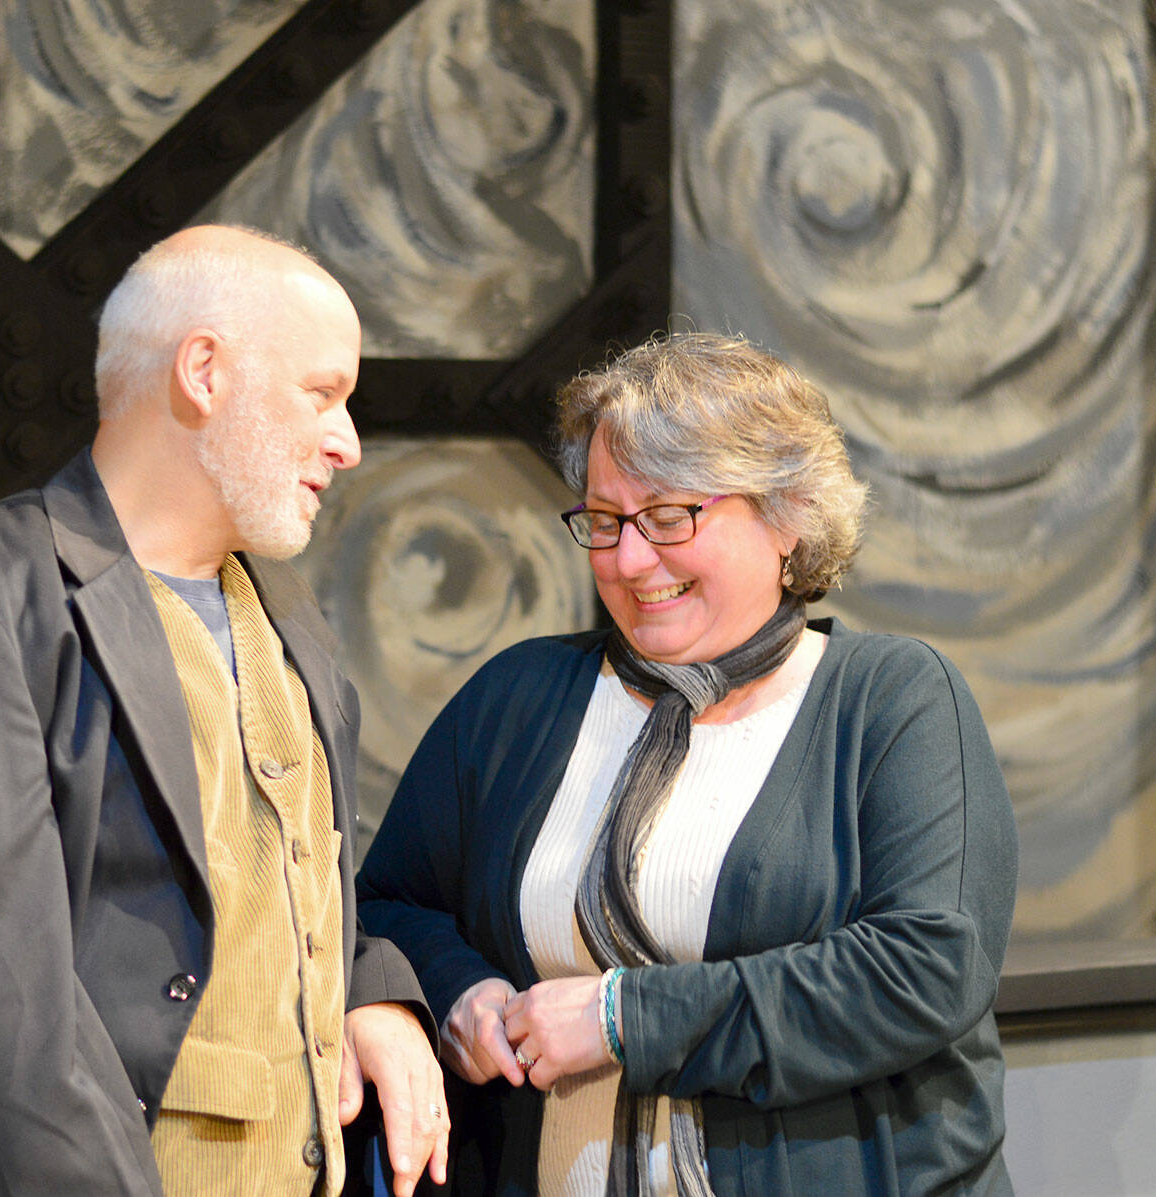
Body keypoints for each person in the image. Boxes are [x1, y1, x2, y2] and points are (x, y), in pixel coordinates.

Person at [0, 225, 449, 1197]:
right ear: (203, 372)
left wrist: (368, 992)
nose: (348, 442)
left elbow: (278, 887)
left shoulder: (288, 614)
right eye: (322, 393)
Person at [357, 333, 1018, 1194]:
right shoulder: (516, 698)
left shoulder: (893, 700)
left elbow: (927, 967)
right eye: (605, 520)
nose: (629, 560)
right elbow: (387, 903)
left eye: (670, 517)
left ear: (789, 515)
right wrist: (458, 994)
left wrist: (626, 1019)